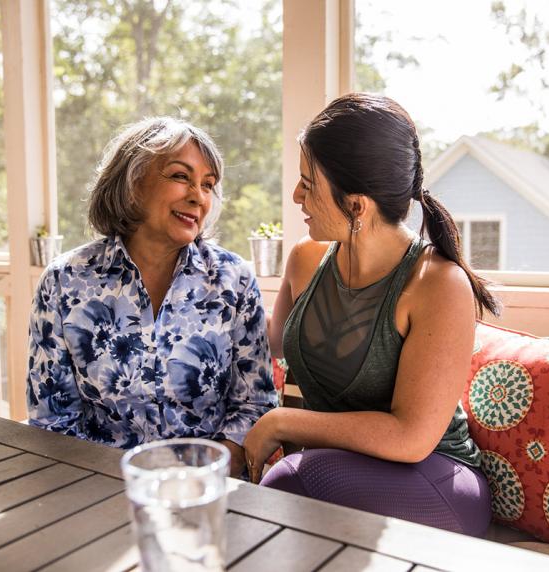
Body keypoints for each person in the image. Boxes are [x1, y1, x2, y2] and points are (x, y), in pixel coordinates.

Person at [243, 93, 499, 536]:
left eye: (309, 183)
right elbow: (275, 341)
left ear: (356, 206)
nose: (295, 194)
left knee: (289, 480)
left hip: (435, 480)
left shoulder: (436, 284)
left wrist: (283, 421)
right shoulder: (306, 261)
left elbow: (411, 437)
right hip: (333, 471)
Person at [27, 117, 277, 477]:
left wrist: (211, 471)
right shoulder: (64, 281)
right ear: (132, 184)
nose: (198, 196)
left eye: (208, 185)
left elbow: (255, 403)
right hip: (96, 490)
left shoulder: (233, 280)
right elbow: (53, 418)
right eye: (180, 176)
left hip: (206, 490)